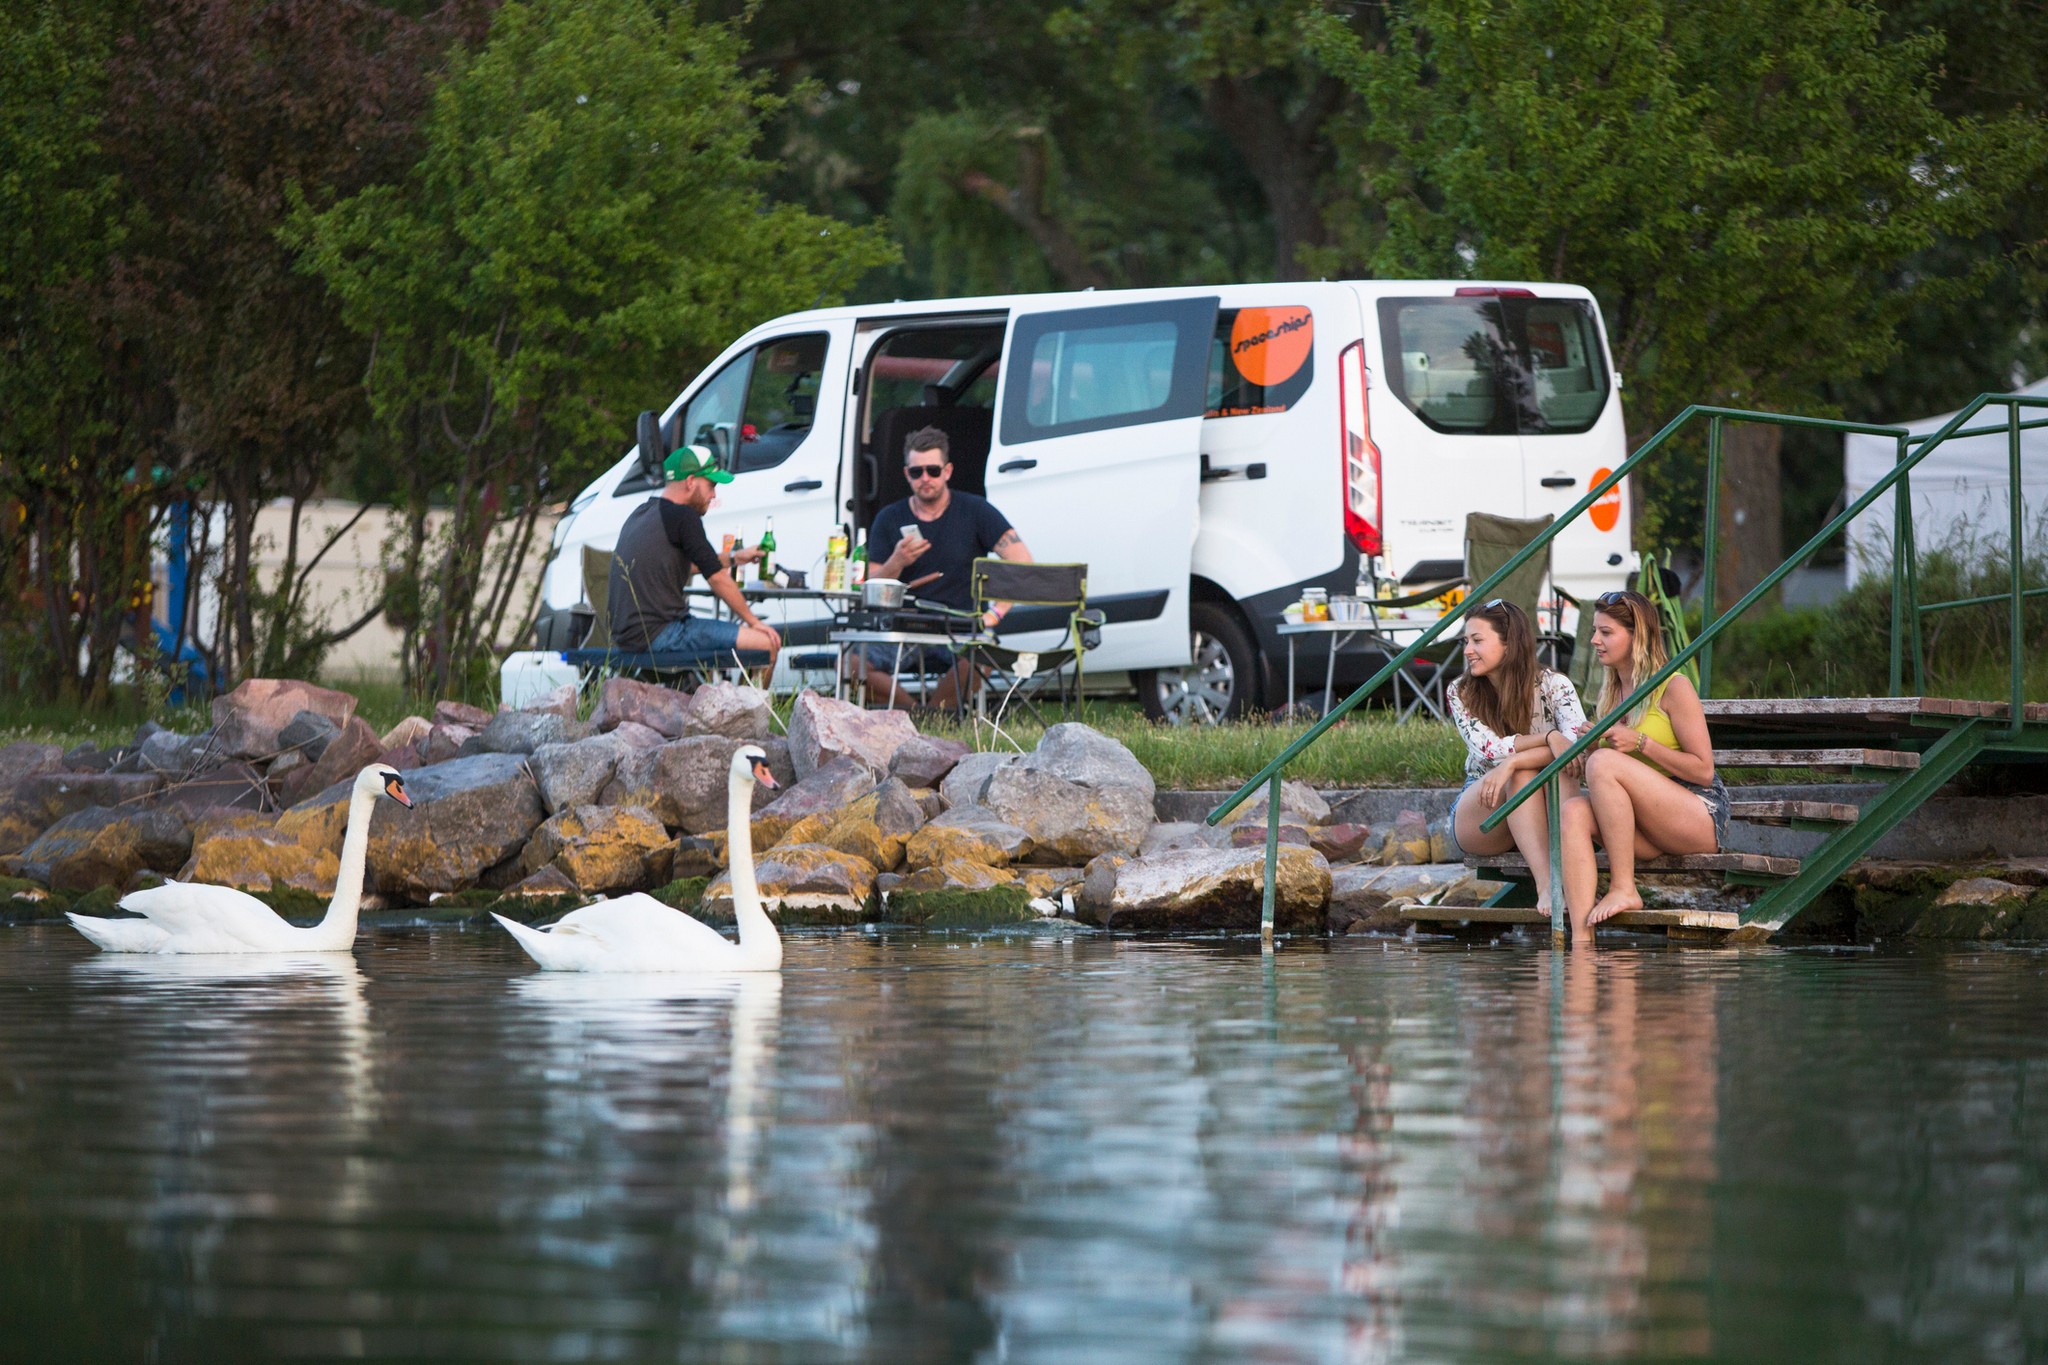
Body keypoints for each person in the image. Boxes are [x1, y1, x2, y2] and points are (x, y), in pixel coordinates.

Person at [1559, 588, 1730, 940]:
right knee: (1574, 811)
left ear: (1638, 637)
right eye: (1595, 631)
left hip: (1697, 814)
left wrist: (1641, 743)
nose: (1594, 640)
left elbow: (1703, 770)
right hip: (1647, 824)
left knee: (1605, 762)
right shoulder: (1610, 698)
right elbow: (1611, 780)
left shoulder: (1673, 687)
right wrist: (1588, 749)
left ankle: (1625, 887)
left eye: (1606, 633)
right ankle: (1579, 938)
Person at [858, 425, 1032, 708]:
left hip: (959, 623)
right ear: (906, 474)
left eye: (933, 471)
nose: (925, 478)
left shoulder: (975, 510)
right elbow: (871, 586)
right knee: (853, 664)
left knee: (981, 657)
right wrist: (897, 561)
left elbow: (1022, 562)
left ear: (947, 471)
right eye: (917, 472)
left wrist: (995, 613)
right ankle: (915, 716)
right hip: (904, 624)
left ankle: (935, 716)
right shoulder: (889, 517)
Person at [1447, 598, 1590, 919]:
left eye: (1477, 640)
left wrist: (1515, 761)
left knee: (1538, 771)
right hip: (1485, 809)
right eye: (1465, 641)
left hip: (1546, 802)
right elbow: (1489, 749)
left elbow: (1576, 749)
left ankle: (1564, 883)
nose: (1467, 649)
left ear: (1510, 645)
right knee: (1522, 775)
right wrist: (1549, 739)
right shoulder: (1461, 691)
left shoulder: (1555, 686)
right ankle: (1547, 883)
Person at [606, 445, 781, 668]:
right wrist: (753, 621)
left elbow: (689, 566)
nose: (714, 494)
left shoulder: (642, 513)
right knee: (767, 644)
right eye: (711, 485)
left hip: (626, 638)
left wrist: (736, 558)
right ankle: (752, 703)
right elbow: (717, 577)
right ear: (690, 481)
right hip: (663, 633)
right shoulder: (683, 516)